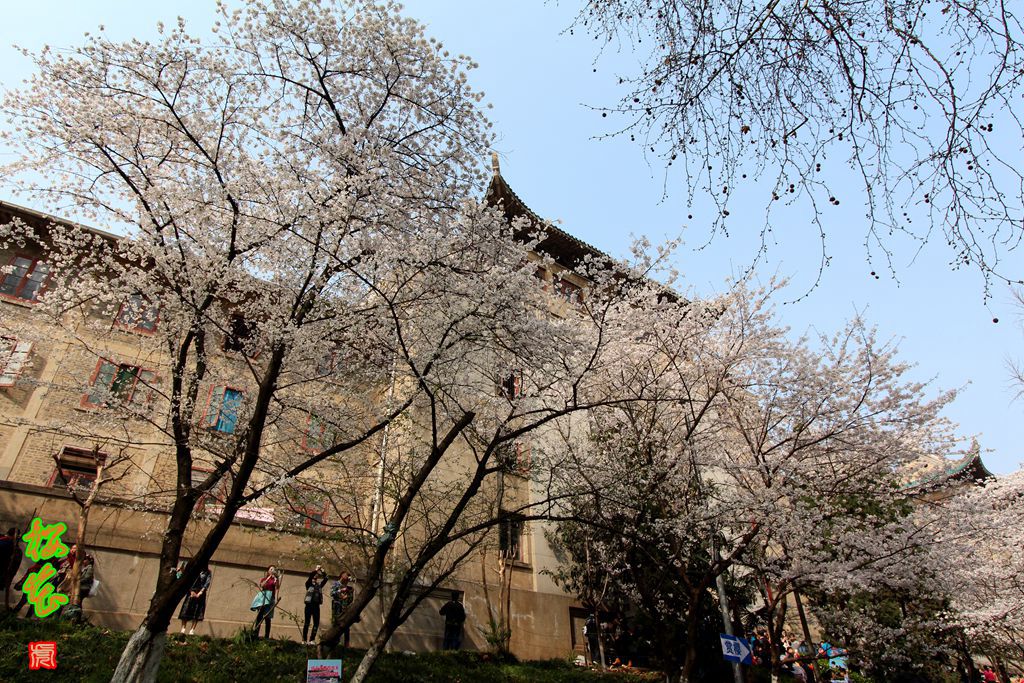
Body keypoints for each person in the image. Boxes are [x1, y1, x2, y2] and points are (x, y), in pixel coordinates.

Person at [178, 563, 212, 635]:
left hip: (200, 594)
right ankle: (183, 629)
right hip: (191, 592)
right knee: (186, 609)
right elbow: (188, 580)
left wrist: (200, 593)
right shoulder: (194, 570)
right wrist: (191, 591)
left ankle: (192, 630)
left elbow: (207, 583)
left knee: (197, 611)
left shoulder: (208, 572)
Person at [251, 565, 280, 639]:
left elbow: (277, 588)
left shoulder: (275, 579)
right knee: (259, 616)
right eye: (271, 569)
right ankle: (255, 634)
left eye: (274, 569)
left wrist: (276, 579)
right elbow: (262, 586)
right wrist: (269, 578)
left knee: (268, 618)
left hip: (270, 599)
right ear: (268, 571)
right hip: (263, 599)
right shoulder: (264, 579)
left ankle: (266, 636)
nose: (272, 570)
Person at [302, 564, 329, 645]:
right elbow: (311, 575)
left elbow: (326, 578)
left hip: (316, 606)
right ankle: (304, 639)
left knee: (316, 623)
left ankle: (312, 639)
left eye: (316, 577)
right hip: (309, 605)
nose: (315, 578)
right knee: (307, 623)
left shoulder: (319, 585)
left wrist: (322, 571)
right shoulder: (308, 584)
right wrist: (316, 569)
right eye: (314, 577)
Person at [330, 570, 355, 647]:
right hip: (337, 606)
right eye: (346, 575)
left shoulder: (349, 588)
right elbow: (332, 593)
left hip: (345, 608)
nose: (347, 577)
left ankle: (346, 644)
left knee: (346, 625)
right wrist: (341, 590)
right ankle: (335, 641)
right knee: (336, 624)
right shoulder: (336, 584)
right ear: (342, 575)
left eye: (348, 576)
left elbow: (350, 600)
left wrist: (349, 594)